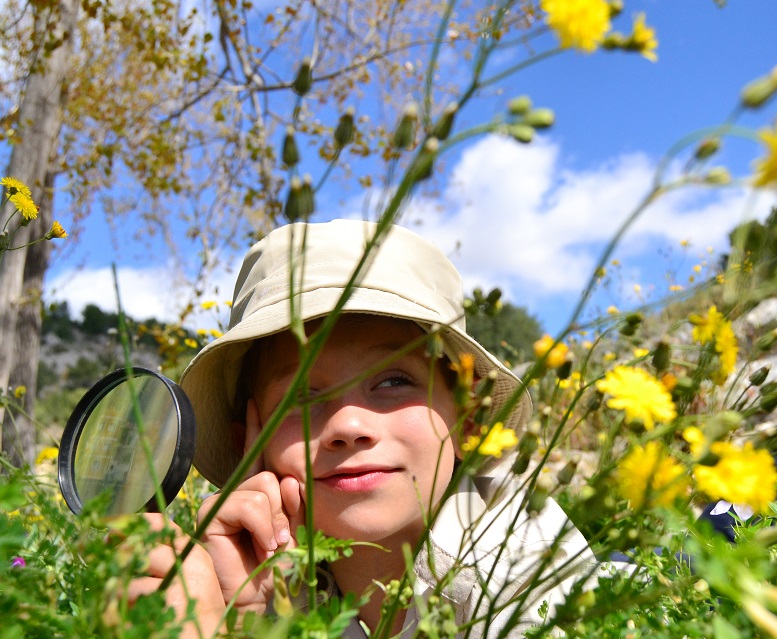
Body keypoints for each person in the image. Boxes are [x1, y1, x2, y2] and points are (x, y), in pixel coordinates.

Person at [128, 220, 599, 638]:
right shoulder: (246, 581)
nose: (349, 426)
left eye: (394, 381)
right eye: (300, 398)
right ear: (248, 445)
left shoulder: (526, 566)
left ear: (468, 420)